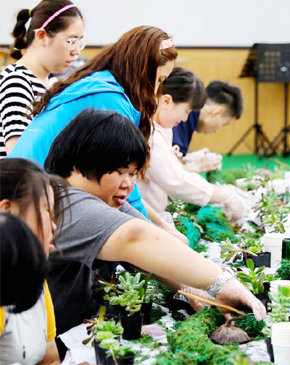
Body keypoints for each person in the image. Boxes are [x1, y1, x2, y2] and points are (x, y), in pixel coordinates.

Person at [43, 109, 265, 354]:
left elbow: (150, 252)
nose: (128, 184)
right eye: (119, 171)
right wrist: (222, 283)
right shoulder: (62, 201)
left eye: (132, 173)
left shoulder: (101, 199)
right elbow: (136, 238)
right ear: (77, 165)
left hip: (69, 331)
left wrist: (195, 291)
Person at [9, 26, 177, 221]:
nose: (156, 90)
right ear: (142, 73)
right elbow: (123, 191)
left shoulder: (99, 84)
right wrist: (156, 231)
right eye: (159, 80)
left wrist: (160, 228)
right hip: (31, 202)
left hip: (24, 190)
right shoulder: (110, 99)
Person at [138, 68, 244, 220]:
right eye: (187, 111)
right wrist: (225, 196)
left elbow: (169, 168)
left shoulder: (164, 128)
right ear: (166, 101)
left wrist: (191, 162)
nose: (185, 119)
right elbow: (176, 181)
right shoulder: (153, 134)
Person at [0, 0, 84, 158]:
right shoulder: (17, 81)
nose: (76, 51)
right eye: (71, 41)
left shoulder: (52, 83)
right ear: (41, 36)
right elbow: (20, 159)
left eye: (80, 42)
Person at [0, 158, 60, 364]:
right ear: (7, 211)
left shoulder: (35, 278)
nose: (54, 227)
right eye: (46, 210)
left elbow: (50, 357)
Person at [172, 80, 243, 173]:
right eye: (224, 124)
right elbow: (170, 171)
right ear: (217, 111)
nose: (217, 130)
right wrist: (198, 167)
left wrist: (191, 158)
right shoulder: (183, 116)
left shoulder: (191, 115)